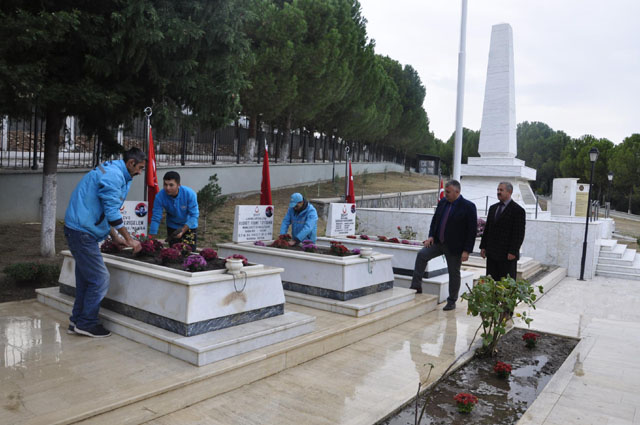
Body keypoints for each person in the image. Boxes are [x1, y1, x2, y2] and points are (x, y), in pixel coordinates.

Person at [64, 148, 146, 337]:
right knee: (100, 279)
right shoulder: (114, 176)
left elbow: (102, 209)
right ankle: (87, 323)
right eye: (139, 168)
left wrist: (115, 237)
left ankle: (77, 321)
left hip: (81, 228)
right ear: (131, 163)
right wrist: (129, 239)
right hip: (81, 232)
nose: (140, 172)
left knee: (86, 280)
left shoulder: (117, 171)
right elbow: (112, 212)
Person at [410, 180, 477, 311]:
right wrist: (431, 236)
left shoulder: (468, 206)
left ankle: (452, 301)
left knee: (453, 273)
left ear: (457, 192)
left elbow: (471, 231)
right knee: (422, 255)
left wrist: (467, 251)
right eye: (445, 191)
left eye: (448, 192)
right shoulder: (443, 203)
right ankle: (416, 286)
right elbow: (435, 221)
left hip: (455, 248)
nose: (446, 194)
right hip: (438, 242)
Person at [480, 182, 526, 281]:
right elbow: (487, 229)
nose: (498, 192)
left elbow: (519, 234)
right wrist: (483, 247)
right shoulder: (493, 208)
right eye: (498, 190)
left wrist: (513, 251)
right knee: (491, 282)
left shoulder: (518, 211)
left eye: (501, 190)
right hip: (492, 254)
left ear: (509, 192)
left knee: (505, 285)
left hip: (507, 255)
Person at [149, 171, 199, 248]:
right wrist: (151, 238)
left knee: (189, 254)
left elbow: (194, 215)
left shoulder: (189, 194)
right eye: (165, 185)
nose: (167, 188)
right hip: (172, 226)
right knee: (173, 254)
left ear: (178, 185)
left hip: (189, 225)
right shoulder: (159, 197)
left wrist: (182, 230)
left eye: (171, 185)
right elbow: (156, 217)